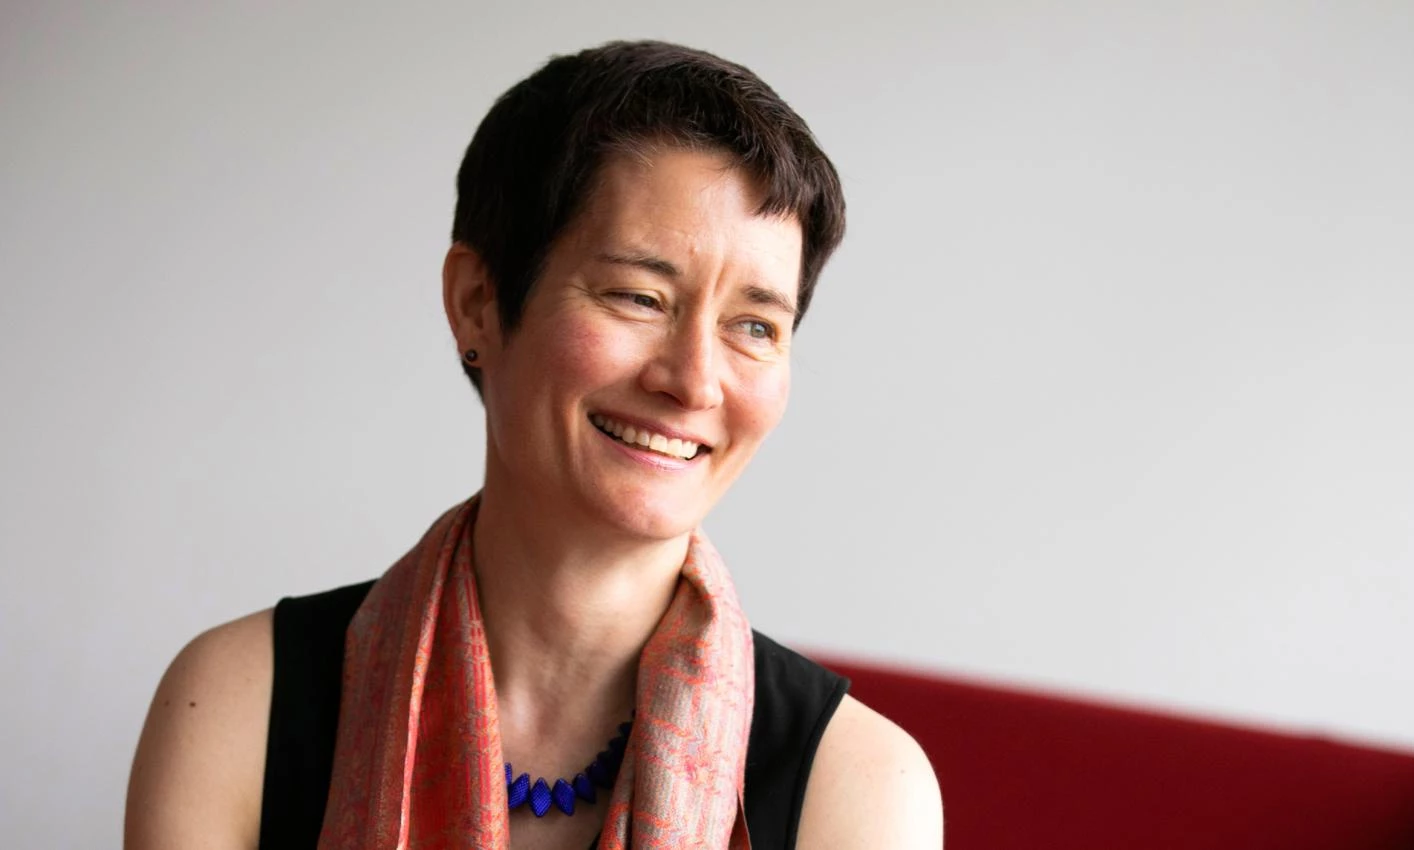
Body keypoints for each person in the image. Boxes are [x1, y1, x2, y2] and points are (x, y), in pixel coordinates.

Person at [125, 40, 943, 850]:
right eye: (639, 297)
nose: (695, 382)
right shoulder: (237, 707)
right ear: (478, 303)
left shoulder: (860, 788)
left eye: (755, 326)